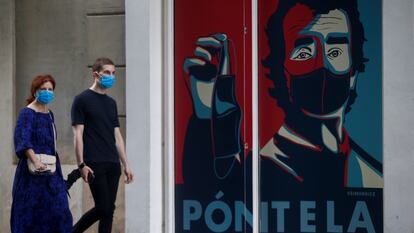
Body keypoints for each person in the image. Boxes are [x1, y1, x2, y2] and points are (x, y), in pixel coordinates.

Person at [178, 0, 383, 232]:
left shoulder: (371, 176)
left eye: (335, 51)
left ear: (354, 71)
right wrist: (205, 113)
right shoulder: (257, 170)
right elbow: (209, 201)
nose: (322, 63)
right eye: (304, 52)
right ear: (281, 71)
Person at [71, 57, 134, 233]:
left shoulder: (111, 103)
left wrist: (126, 164)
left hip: (113, 164)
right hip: (94, 163)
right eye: (107, 72)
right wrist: (81, 164)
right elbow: (78, 134)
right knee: (103, 208)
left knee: (108, 212)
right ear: (95, 74)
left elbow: (117, 136)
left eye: (113, 73)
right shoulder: (82, 100)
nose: (111, 76)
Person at [11, 75, 73, 233]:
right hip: (32, 174)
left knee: (59, 213)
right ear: (35, 91)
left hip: (51, 172)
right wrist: (35, 161)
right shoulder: (27, 113)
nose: (47, 92)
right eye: (43, 89)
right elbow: (23, 140)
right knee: (31, 216)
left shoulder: (50, 114)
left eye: (50, 89)